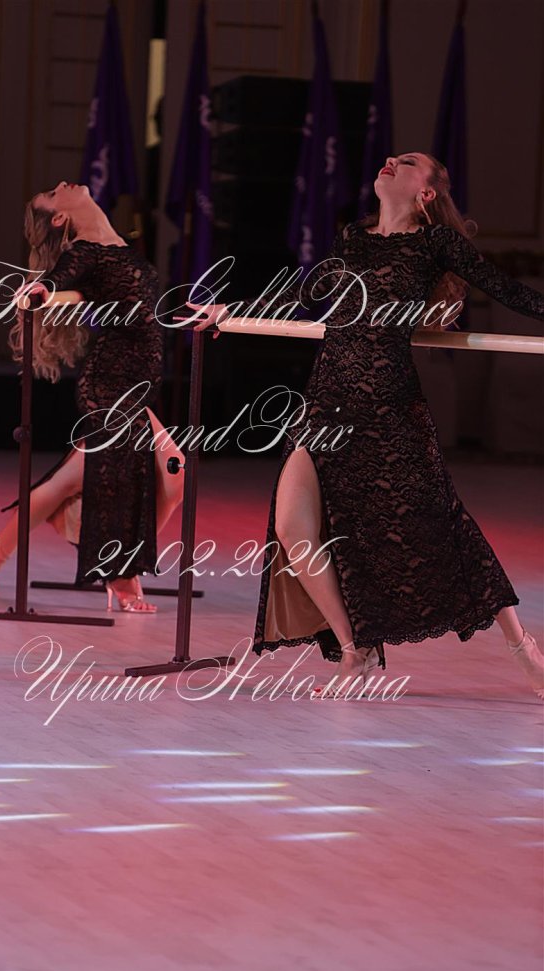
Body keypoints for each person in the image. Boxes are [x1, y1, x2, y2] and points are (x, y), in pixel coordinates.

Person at [191, 153, 544, 698]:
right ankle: (355, 649)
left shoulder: (435, 243)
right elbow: (306, 294)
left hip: (389, 409)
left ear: (426, 193)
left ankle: (523, 646)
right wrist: (231, 310)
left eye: (408, 162)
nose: (390, 161)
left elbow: (509, 290)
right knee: (292, 528)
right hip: (325, 404)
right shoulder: (353, 238)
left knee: (442, 528)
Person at [0, 181, 184, 612]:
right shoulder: (84, 251)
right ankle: (121, 572)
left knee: (72, 483)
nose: (61, 185)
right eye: (51, 194)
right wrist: (42, 290)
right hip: (109, 384)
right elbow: (57, 279)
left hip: (134, 386)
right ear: (60, 217)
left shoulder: (119, 245)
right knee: (169, 474)